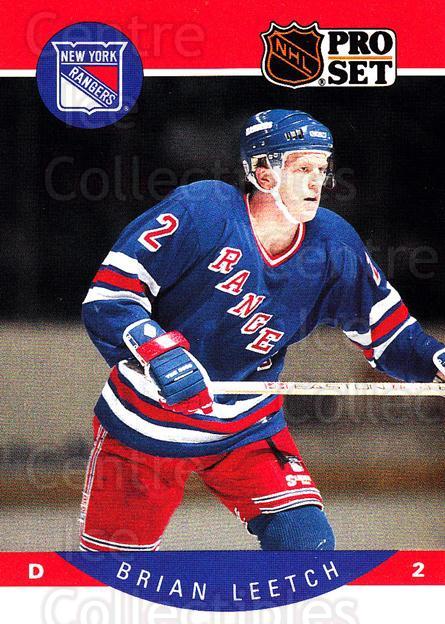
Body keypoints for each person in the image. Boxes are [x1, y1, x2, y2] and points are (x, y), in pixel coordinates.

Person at [80, 109, 445, 552]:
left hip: (248, 428)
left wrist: (435, 360)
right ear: (262, 171)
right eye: (303, 168)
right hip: (146, 426)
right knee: (113, 575)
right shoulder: (203, 210)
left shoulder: (333, 245)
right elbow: (110, 297)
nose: (317, 182)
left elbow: (391, 334)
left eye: (322, 169)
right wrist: (158, 352)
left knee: (305, 547)